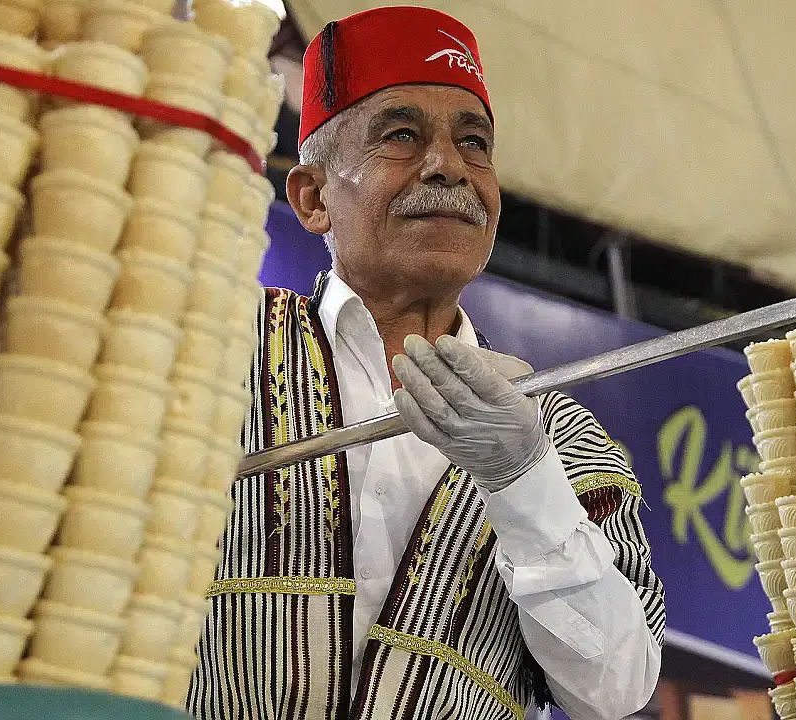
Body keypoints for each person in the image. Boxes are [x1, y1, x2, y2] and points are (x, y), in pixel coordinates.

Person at [188, 7, 664, 720]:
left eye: (474, 143)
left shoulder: (558, 434)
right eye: (402, 135)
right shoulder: (212, 343)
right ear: (313, 199)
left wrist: (524, 479)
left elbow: (615, 690)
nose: (449, 166)